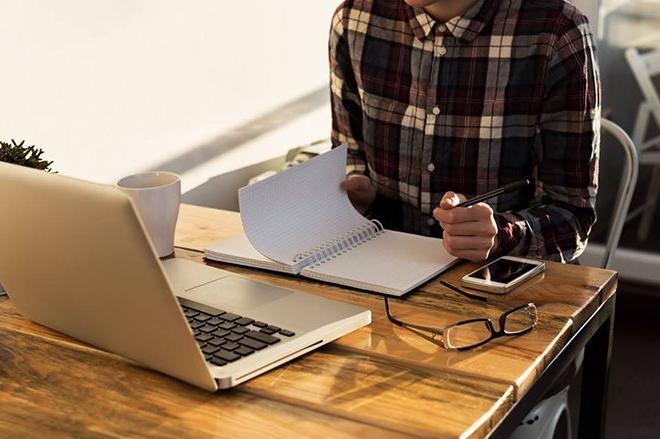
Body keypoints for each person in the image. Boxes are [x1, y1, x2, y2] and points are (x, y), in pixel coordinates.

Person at [330, 0, 600, 262]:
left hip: (501, 285)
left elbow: (572, 215)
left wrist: (502, 234)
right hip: (380, 271)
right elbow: (351, 160)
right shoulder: (354, 18)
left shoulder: (557, 32)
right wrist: (354, 199)